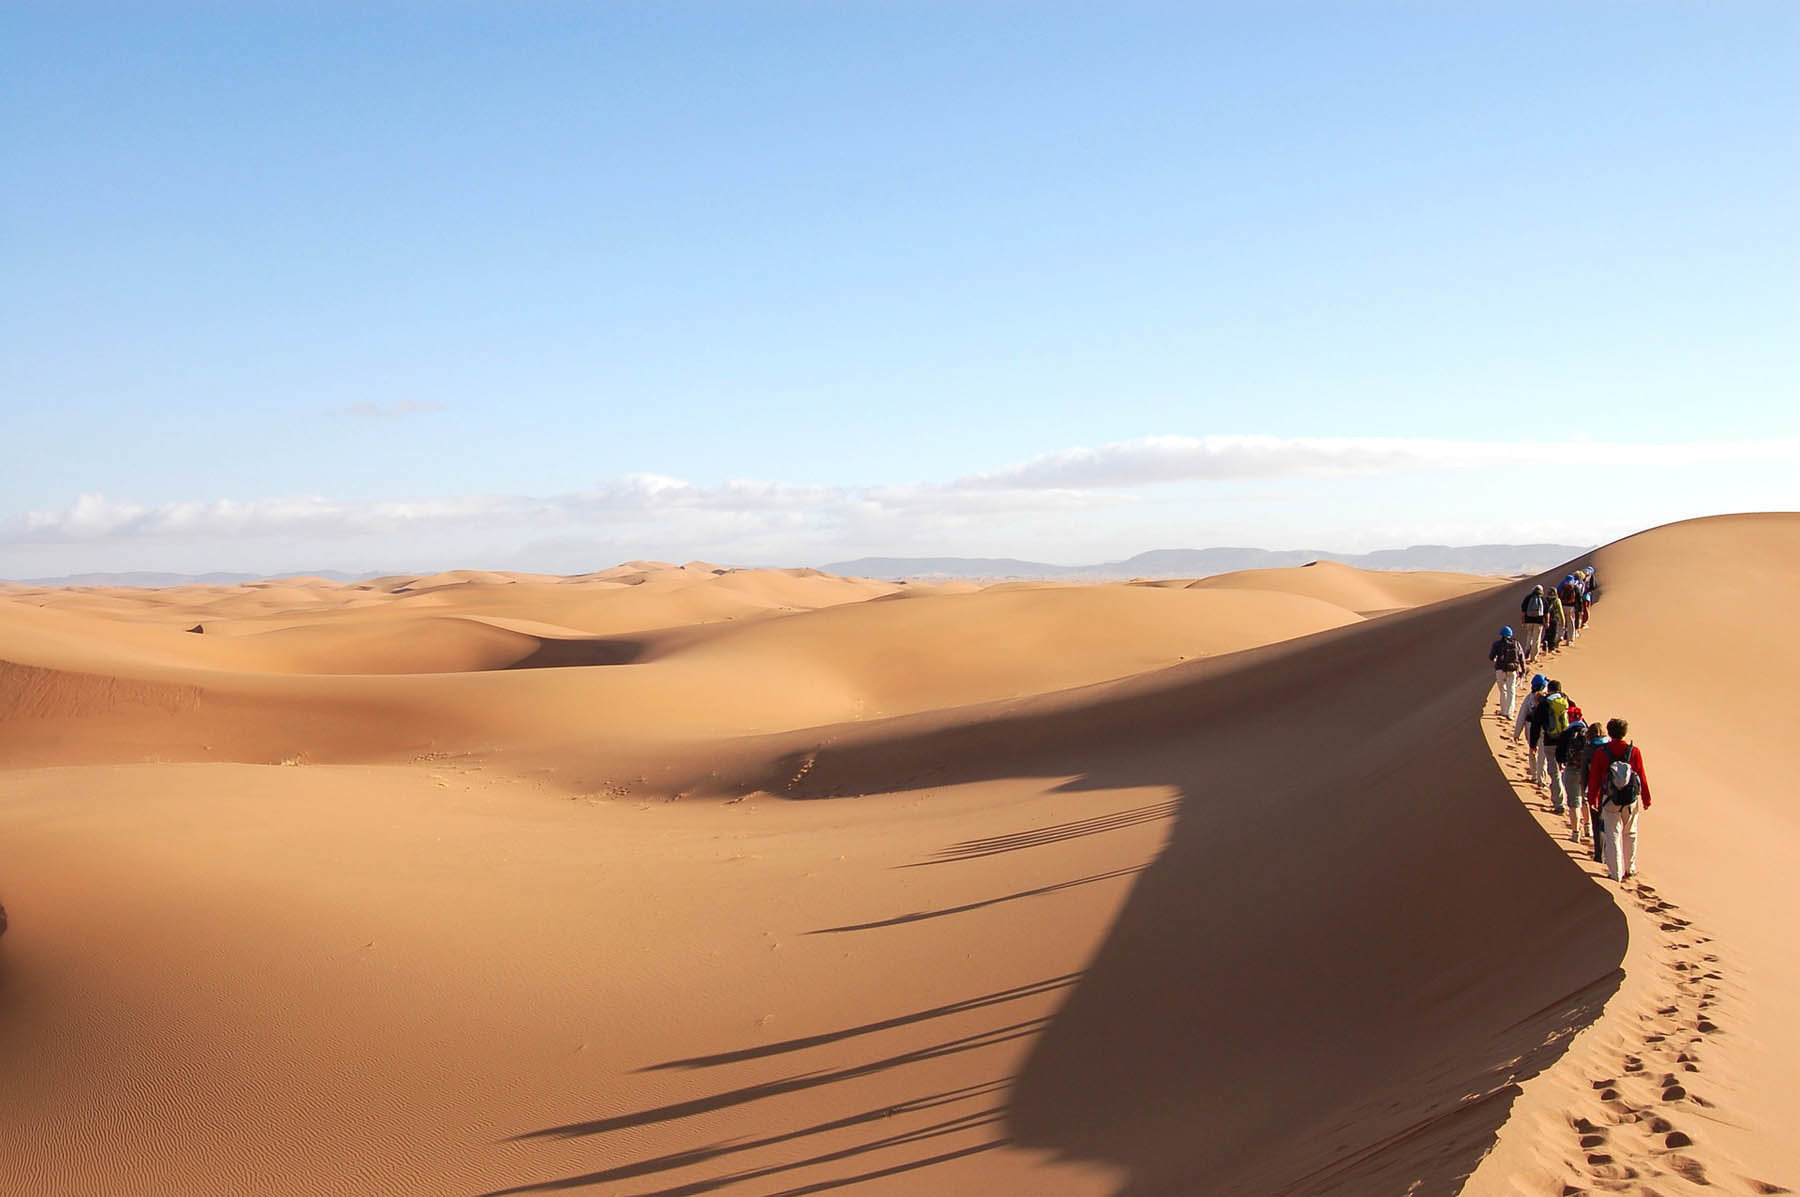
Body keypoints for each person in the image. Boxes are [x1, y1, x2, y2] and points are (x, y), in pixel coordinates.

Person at [1587, 717, 1652, 882]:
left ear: (1609, 732)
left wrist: (1592, 799)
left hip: (1610, 800)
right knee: (1630, 833)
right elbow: (1641, 775)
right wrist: (1646, 798)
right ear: (1625, 733)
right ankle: (1630, 868)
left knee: (1612, 835)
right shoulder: (1634, 751)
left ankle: (1615, 873)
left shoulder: (1601, 753)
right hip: (1630, 800)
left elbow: (1594, 778)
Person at [1530, 680, 1572, 809]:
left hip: (1550, 742)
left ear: (1549, 690)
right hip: (1566, 742)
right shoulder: (1566, 701)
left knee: (1554, 773)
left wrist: (1533, 744)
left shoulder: (1544, 703)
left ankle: (1559, 803)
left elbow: (1535, 725)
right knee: (1565, 771)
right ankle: (1571, 800)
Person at [1556, 707, 1590, 842]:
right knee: (1585, 800)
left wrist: (1560, 764)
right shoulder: (1588, 732)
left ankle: (1576, 834)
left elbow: (1559, 753)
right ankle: (1588, 828)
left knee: (1574, 802)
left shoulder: (1566, 732)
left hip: (1571, 770)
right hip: (1586, 771)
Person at [1513, 674, 1551, 791]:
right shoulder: (1547, 699)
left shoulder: (1529, 698)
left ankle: (1534, 775)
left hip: (1530, 728)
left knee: (1532, 751)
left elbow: (1521, 716)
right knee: (1542, 756)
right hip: (1543, 730)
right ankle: (1541, 780)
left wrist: (1517, 733)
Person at [1488, 626, 1525, 718]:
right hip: (1512, 670)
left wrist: (1495, 659)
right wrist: (1523, 670)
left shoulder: (1497, 644)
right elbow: (1521, 657)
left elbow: (1491, 657)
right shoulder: (1516, 643)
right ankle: (1510, 713)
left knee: (1502, 690)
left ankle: (1503, 710)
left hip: (1500, 669)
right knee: (1511, 691)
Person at [1519, 585, 1550, 663]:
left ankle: (1527, 649)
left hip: (1528, 621)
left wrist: (1522, 621)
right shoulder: (1543, 599)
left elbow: (1523, 611)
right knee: (1536, 638)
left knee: (1529, 635)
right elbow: (1547, 613)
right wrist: (1547, 622)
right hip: (1539, 622)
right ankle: (1533, 657)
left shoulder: (1528, 598)